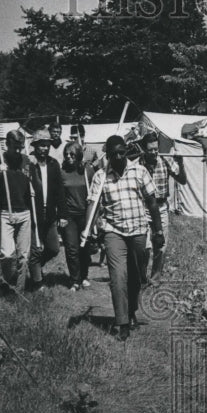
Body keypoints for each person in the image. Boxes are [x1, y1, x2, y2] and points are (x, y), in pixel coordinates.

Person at [81, 135, 164, 340]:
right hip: (113, 231)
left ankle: (131, 310)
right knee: (118, 276)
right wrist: (88, 231)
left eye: (122, 152)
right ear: (107, 155)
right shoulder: (100, 177)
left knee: (136, 277)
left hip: (138, 229)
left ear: (126, 151)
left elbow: (152, 202)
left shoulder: (139, 171)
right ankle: (123, 322)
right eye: (114, 153)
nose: (118, 156)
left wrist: (158, 231)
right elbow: (92, 205)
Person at [0, 129, 34, 294]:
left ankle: (18, 290)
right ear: (7, 144)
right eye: (15, 148)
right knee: (6, 254)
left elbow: (35, 184)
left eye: (20, 148)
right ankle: (9, 281)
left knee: (24, 256)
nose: (18, 151)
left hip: (24, 213)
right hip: (5, 213)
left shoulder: (26, 161)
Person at [138, 131, 187, 281]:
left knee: (161, 245)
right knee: (144, 246)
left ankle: (155, 278)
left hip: (161, 207)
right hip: (143, 207)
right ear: (144, 150)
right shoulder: (139, 163)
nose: (153, 153)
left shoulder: (165, 161)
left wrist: (181, 164)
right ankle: (141, 277)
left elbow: (182, 180)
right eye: (150, 150)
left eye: (155, 149)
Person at [27, 129, 64, 292]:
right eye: (42, 145)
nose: (45, 148)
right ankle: (37, 283)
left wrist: (62, 213)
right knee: (35, 249)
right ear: (34, 146)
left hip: (49, 213)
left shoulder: (53, 164)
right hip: (33, 213)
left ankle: (35, 266)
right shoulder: (28, 164)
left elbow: (59, 191)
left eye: (47, 145)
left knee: (53, 248)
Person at [58, 140, 93, 291]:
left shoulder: (87, 171)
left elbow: (95, 191)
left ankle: (84, 275)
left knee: (84, 247)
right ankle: (75, 280)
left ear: (79, 155)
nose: (69, 157)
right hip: (69, 216)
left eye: (72, 154)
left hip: (85, 215)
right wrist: (61, 216)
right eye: (66, 154)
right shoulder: (62, 172)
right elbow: (59, 196)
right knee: (71, 248)